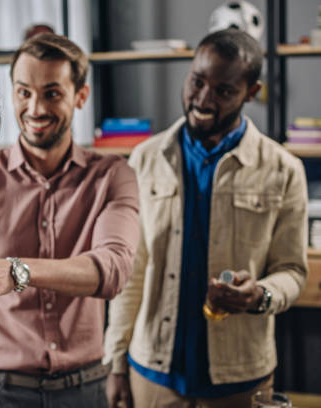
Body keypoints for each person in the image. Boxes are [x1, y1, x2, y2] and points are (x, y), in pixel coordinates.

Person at [103, 28, 308, 408]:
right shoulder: (145, 159)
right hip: (152, 374)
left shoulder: (284, 170)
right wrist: (115, 363)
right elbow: (131, 270)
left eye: (224, 91)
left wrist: (260, 295)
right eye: (197, 81)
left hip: (241, 378)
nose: (203, 99)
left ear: (251, 92)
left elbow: (293, 270)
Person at [0, 33, 140, 408]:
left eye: (52, 93)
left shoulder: (113, 176)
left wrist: (18, 271)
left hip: (86, 388)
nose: (35, 108)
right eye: (24, 92)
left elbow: (113, 270)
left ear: (80, 96)